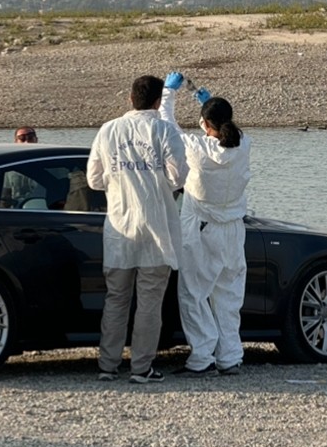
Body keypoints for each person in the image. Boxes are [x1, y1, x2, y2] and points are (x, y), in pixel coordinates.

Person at [87, 75, 188, 383]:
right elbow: (179, 176)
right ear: (158, 102)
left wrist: (119, 183)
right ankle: (141, 367)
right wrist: (156, 184)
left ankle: (108, 365)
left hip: (119, 228)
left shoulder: (109, 130)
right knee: (148, 303)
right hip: (156, 230)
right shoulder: (164, 129)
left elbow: (93, 179)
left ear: (130, 99)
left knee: (116, 299)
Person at [160, 71, 252, 375]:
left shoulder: (198, 149)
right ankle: (230, 356)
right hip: (234, 232)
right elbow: (229, 130)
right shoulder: (244, 146)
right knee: (228, 296)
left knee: (194, 294)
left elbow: (166, 127)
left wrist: (168, 94)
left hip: (202, 229)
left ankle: (201, 357)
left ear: (204, 125)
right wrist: (208, 102)